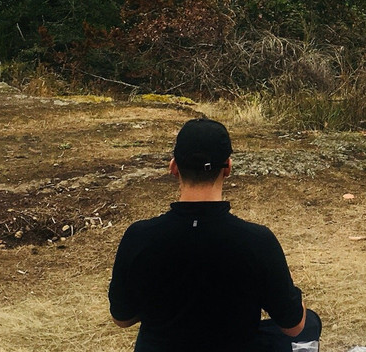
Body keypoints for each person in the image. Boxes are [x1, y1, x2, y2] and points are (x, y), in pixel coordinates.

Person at [109, 117, 321, 351]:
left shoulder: (139, 237)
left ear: (174, 167)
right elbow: (293, 326)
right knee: (311, 323)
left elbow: (122, 318)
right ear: (228, 168)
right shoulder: (257, 242)